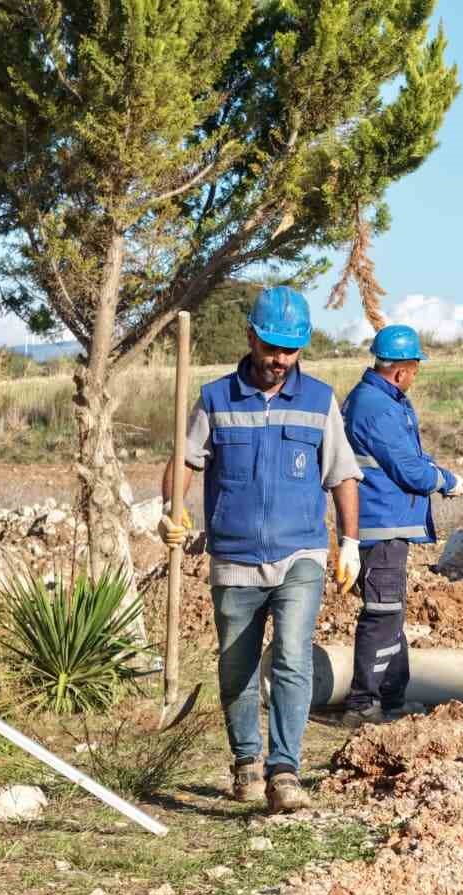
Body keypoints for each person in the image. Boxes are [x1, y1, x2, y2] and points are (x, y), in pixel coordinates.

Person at [157, 286, 363, 813]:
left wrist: (351, 542)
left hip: (301, 554)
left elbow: (342, 474)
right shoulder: (216, 398)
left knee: (293, 657)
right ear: (250, 336)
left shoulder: (319, 401)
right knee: (237, 665)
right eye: (271, 347)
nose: (279, 360)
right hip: (234, 555)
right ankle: (246, 761)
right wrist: (170, 509)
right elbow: (185, 461)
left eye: (290, 350)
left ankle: (285, 770)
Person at [339, 325, 463, 727]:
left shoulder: (383, 401)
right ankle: (363, 704)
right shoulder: (375, 406)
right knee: (381, 612)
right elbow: (407, 467)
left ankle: (392, 699)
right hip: (380, 523)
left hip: (389, 522)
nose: (416, 376)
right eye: (415, 368)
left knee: (391, 612)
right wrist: (445, 480)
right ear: (400, 371)